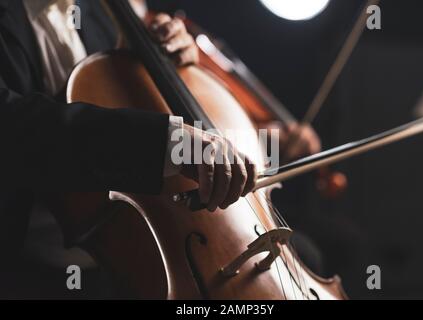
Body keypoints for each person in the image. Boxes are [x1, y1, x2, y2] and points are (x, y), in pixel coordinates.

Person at [0, 0, 322, 298]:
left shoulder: (100, 9)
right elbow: (20, 127)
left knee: (311, 253)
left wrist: (176, 64)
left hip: (157, 224)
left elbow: (122, 95)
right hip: (53, 260)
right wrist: (169, 143)